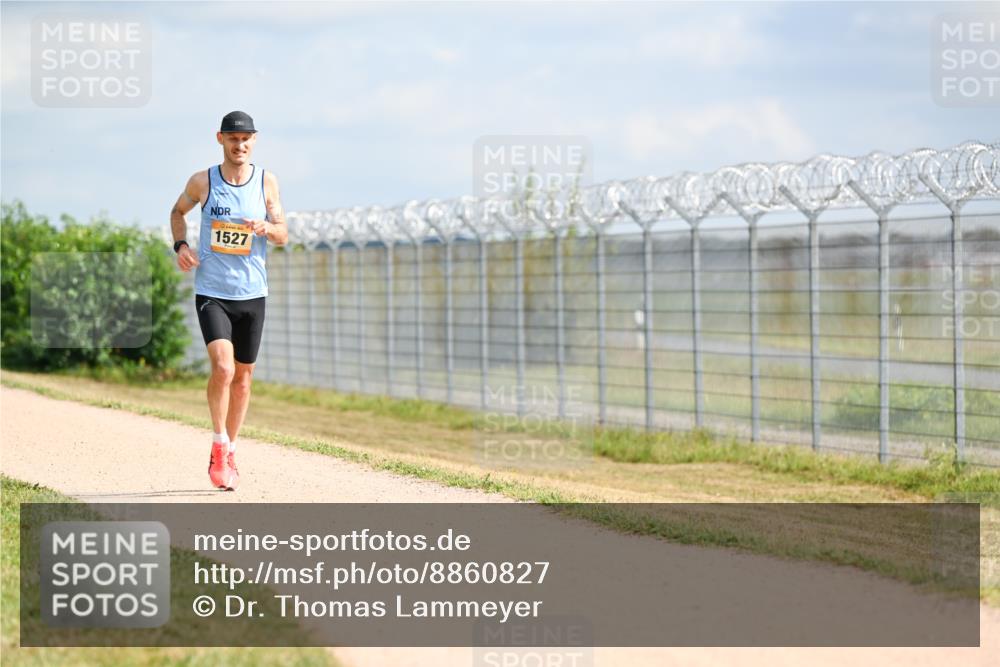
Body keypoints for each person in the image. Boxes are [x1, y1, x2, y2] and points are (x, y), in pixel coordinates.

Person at [169, 110, 288, 490]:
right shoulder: (203, 181)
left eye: (247, 139)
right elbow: (177, 212)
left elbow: (284, 232)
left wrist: (268, 228)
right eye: (234, 139)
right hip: (213, 292)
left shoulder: (266, 182)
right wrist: (181, 245)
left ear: (254, 141)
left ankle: (233, 448)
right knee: (223, 369)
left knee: (244, 380)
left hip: (253, 294)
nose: (240, 145)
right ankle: (218, 444)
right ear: (220, 139)